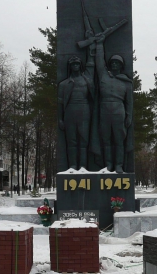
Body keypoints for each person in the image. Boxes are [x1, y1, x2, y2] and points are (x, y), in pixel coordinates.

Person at [57, 41, 99, 170]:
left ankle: (82, 166)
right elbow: (60, 103)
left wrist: (91, 50)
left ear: (80, 65)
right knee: (72, 141)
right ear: (70, 66)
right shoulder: (64, 84)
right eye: (73, 64)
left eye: (77, 64)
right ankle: (72, 166)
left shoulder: (87, 80)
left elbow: (91, 65)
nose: (75, 66)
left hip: (84, 111)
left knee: (83, 141)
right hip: (70, 112)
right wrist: (60, 118)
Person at [94, 36, 133, 173]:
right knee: (106, 140)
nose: (114, 64)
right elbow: (99, 61)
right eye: (113, 62)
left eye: (117, 63)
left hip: (118, 110)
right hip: (104, 109)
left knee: (118, 140)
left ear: (121, 66)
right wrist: (99, 45)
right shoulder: (104, 75)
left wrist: (129, 116)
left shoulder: (125, 82)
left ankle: (119, 165)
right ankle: (109, 164)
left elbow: (129, 102)